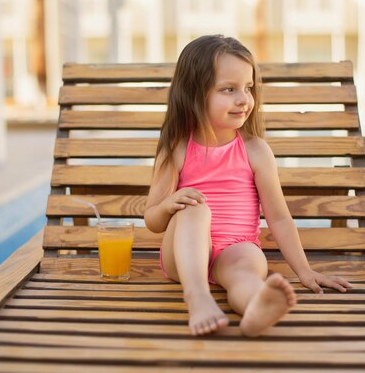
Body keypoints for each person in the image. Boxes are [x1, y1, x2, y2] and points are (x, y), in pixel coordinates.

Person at [144, 35, 352, 337]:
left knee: (245, 273)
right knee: (195, 209)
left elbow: (279, 217)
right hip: (184, 255)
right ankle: (197, 296)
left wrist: (304, 271)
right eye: (229, 89)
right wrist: (168, 204)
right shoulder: (177, 148)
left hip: (236, 248)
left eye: (248, 88)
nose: (244, 99)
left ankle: (257, 308)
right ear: (194, 94)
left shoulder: (255, 150)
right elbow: (152, 219)